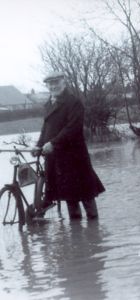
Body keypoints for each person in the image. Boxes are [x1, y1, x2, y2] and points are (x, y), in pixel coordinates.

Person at [32, 71, 105, 219]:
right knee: (70, 198)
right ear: (47, 85)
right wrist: (38, 145)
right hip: (56, 157)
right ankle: (76, 232)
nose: (53, 86)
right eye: (50, 83)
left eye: (56, 82)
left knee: (86, 196)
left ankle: (93, 235)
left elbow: (73, 128)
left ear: (64, 82)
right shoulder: (49, 104)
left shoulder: (74, 102)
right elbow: (46, 128)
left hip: (75, 156)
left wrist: (53, 143)